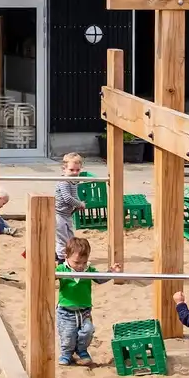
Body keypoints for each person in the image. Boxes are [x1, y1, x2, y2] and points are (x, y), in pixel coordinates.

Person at [55, 236, 117, 367]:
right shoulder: (62, 269)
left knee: (88, 331)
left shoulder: (88, 270)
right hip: (66, 312)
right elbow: (50, 277)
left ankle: (81, 350)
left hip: (84, 311)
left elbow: (99, 279)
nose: (80, 266)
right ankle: (66, 353)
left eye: (83, 262)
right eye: (77, 262)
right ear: (66, 257)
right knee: (68, 335)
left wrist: (111, 272)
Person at [53, 153, 86, 261]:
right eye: (71, 170)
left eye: (77, 170)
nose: (75, 173)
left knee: (71, 237)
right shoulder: (64, 181)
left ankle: (63, 254)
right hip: (58, 214)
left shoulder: (74, 181)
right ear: (64, 169)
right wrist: (79, 204)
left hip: (67, 214)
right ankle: (61, 259)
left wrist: (79, 203)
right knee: (62, 238)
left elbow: (74, 195)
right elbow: (67, 198)